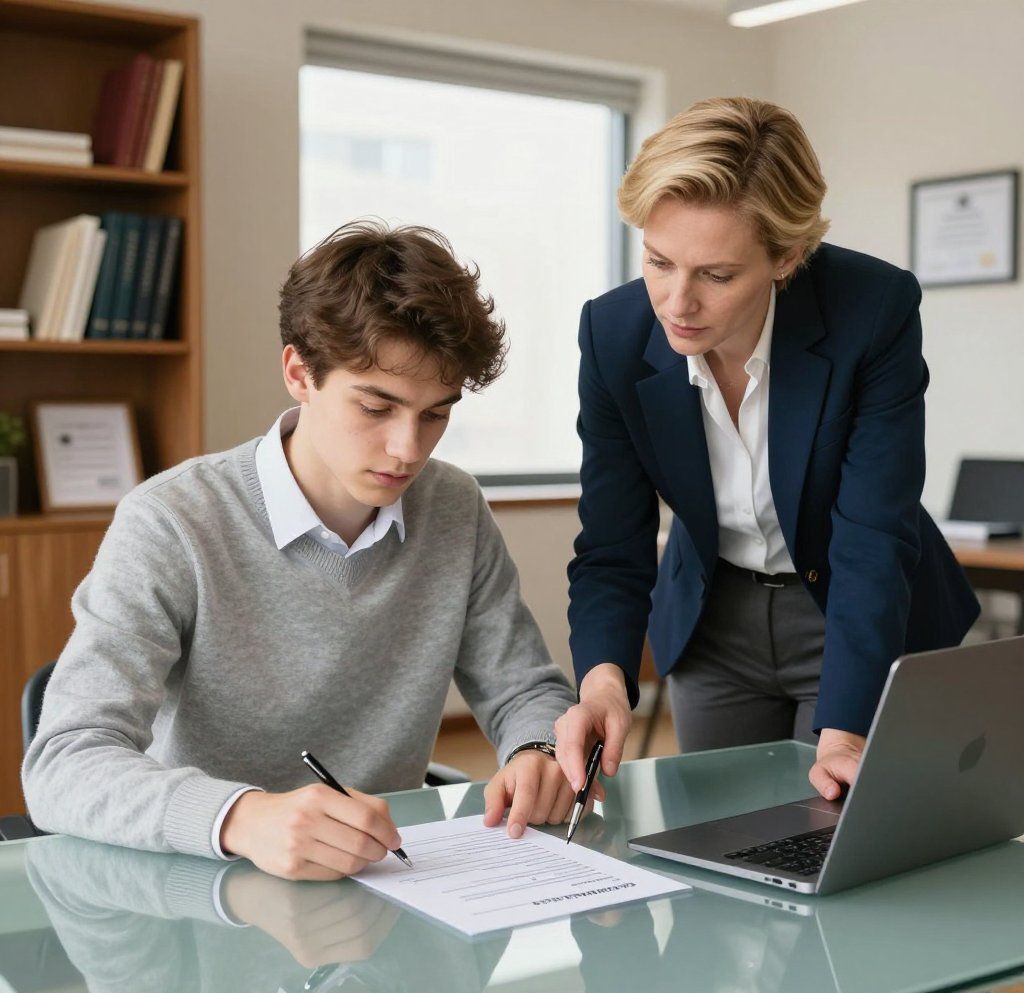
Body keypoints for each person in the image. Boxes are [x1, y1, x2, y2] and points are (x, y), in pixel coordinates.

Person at [23, 221, 580, 881]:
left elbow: (523, 687)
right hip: (209, 887)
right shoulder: (172, 522)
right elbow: (64, 761)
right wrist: (242, 816)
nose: (408, 449)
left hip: (387, 884)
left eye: (435, 414)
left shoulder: (453, 507)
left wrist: (536, 748)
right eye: (377, 407)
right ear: (299, 373)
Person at [554, 97, 979, 802]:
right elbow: (611, 541)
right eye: (658, 262)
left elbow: (872, 536)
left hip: (855, 608)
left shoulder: (871, 311)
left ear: (787, 256)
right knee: (717, 844)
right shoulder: (612, 332)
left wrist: (845, 730)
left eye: (716, 275)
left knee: (839, 840)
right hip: (712, 619)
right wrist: (603, 679)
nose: (675, 303)